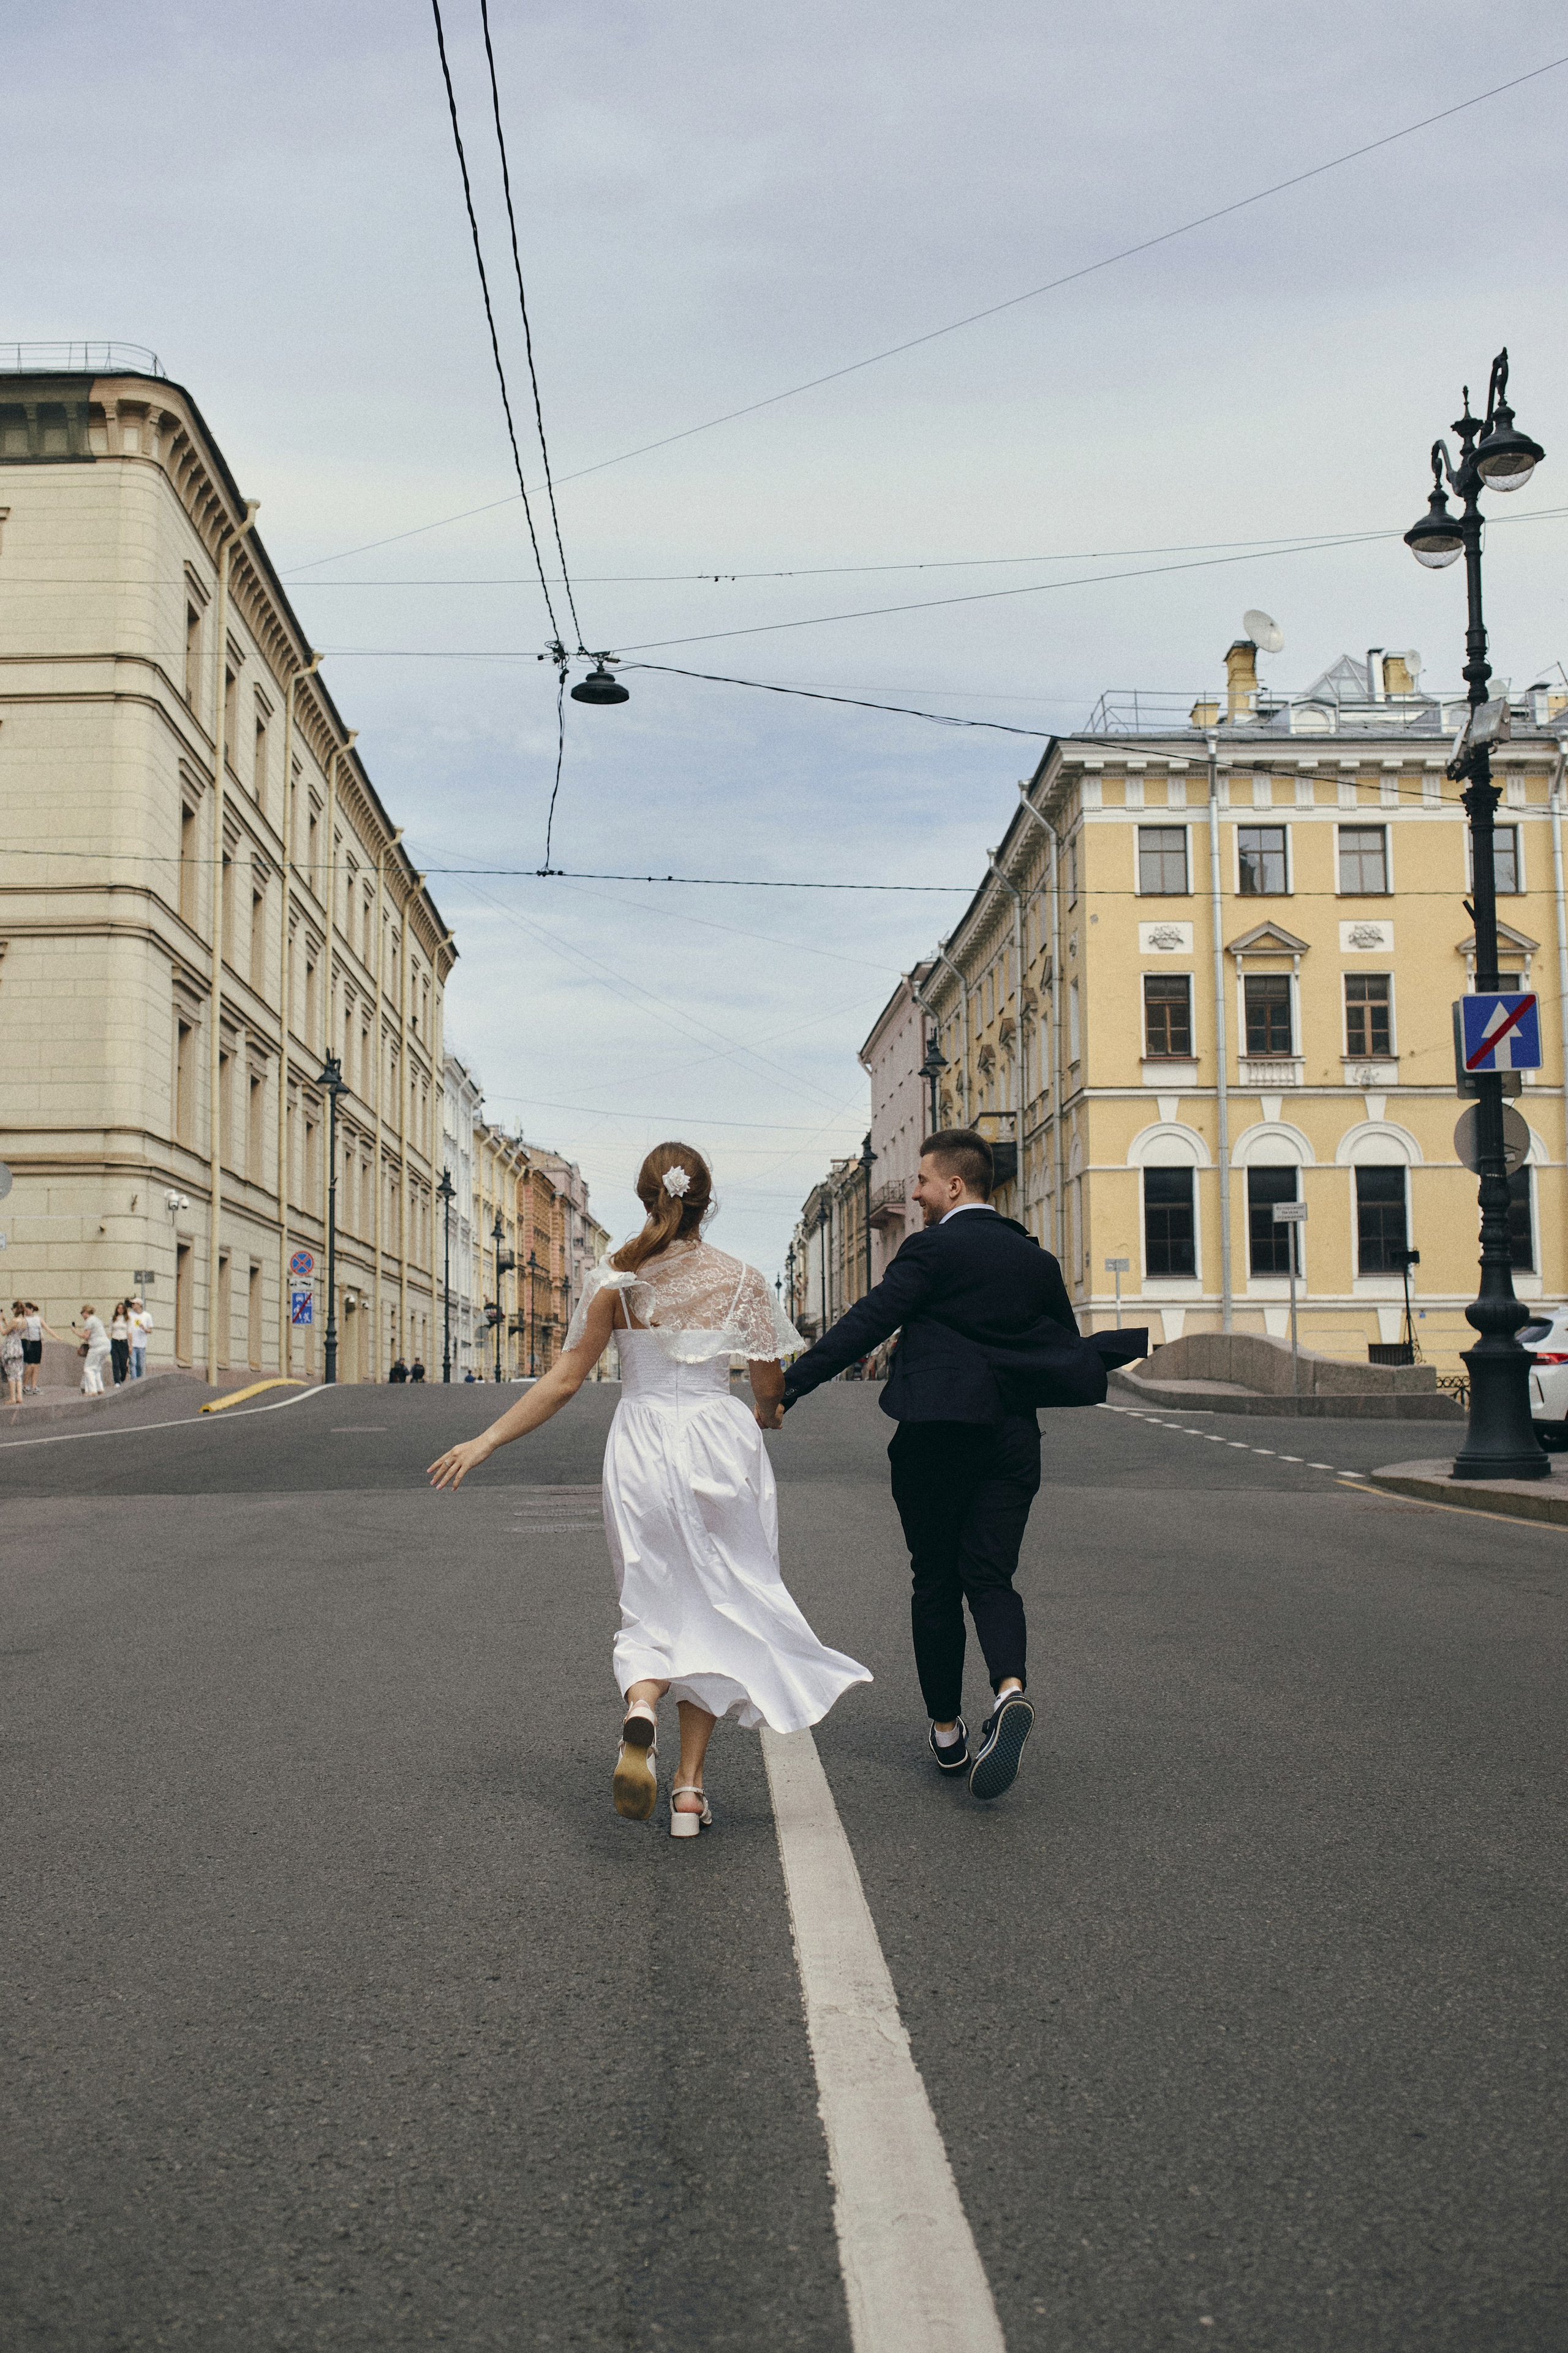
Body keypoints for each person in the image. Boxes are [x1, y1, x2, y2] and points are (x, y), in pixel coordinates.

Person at [428, 1142, 869, 1837]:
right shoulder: (742, 1280)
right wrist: (769, 1414)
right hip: (719, 1445)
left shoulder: (617, 1279)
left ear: (647, 1198)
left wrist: (485, 1441)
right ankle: (689, 1790)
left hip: (639, 1445)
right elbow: (766, 1386)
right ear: (706, 1198)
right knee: (719, 1604)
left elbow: (565, 1379)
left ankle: (641, 1700)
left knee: (651, 1596)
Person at [778, 1128, 1080, 1804]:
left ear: (954, 1185)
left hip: (936, 1438)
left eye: (920, 1180)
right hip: (1010, 1439)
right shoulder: (1035, 1261)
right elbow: (1062, 1345)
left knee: (936, 1581)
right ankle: (1009, 1690)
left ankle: (946, 1731)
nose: (912, 1192)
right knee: (992, 1574)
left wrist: (793, 1385)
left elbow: (868, 1320)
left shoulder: (932, 1249)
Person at [20, 1303, 62, 1397]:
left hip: (37, 1342)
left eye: (27, 1310)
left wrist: (57, 1337)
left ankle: (33, 1386)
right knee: (30, 1365)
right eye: (25, 1311)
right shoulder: (24, 1319)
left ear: (31, 1310)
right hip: (28, 1342)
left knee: (37, 1365)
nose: (26, 1312)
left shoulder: (38, 1319)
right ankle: (24, 1385)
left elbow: (47, 1328)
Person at [76, 1304, 111, 1396]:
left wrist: (75, 1331)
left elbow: (86, 1336)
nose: (82, 1316)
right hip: (107, 1345)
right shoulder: (97, 1320)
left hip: (97, 1346)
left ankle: (92, 1391)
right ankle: (100, 1388)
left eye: (82, 1313)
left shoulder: (89, 1321)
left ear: (86, 1313)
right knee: (97, 1368)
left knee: (88, 1369)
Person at [1, 1304, 25, 1405]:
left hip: (10, 1348)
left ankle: (12, 1398)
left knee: (11, 1373)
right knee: (18, 1373)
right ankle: (19, 1397)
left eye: (13, 1309)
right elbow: (12, 1331)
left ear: (16, 1309)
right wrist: (5, 1321)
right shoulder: (24, 1321)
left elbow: (4, 1332)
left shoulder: (15, 1321)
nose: (12, 1310)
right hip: (18, 1347)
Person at [128, 1296, 153, 1379]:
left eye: (134, 1304)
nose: (132, 1306)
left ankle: (138, 1381)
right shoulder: (130, 1315)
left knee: (140, 1365)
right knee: (133, 1363)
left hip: (142, 1344)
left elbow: (150, 1330)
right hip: (132, 1344)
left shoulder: (147, 1316)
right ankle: (133, 1381)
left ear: (139, 1305)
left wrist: (144, 1329)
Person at [110, 1301, 132, 1386]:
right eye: (119, 1308)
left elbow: (129, 1332)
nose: (120, 1310)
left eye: (122, 1308)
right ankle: (117, 1381)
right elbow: (110, 1331)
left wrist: (131, 1346)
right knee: (115, 1363)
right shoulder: (113, 1318)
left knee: (123, 1363)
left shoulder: (127, 1319)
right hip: (115, 1341)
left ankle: (122, 1378)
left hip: (124, 1342)